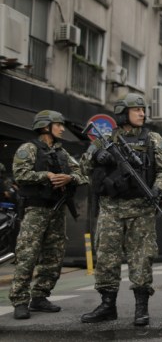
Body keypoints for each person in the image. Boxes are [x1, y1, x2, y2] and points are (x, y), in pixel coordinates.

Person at [80, 93, 162, 326]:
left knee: (142, 259)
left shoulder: (153, 139)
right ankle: (107, 305)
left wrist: (157, 188)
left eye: (143, 109)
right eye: (136, 110)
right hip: (110, 209)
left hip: (141, 209)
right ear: (123, 114)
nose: (142, 113)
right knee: (106, 259)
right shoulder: (104, 139)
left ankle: (141, 308)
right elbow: (83, 167)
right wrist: (97, 157)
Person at [9, 110, 87, 320]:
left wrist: (69, 178)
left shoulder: (62, 153)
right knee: (27, 255)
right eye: (58, 125)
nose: (62, 128)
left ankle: (40, 296)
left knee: (54, 255)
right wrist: (48, 175)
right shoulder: (29, 149)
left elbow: (83, 174)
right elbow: (20, 173)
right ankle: (20, 301)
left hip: (57, 210)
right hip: (35, 210)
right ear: (45, 127)